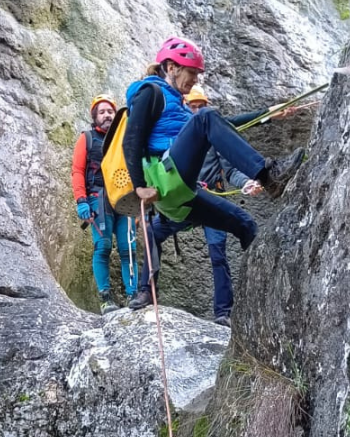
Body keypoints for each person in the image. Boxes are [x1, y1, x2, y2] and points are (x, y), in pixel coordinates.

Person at [123, 36, 306, 310]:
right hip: (161, 178)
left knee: (244, 224)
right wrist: (139, 186)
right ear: (171, 67)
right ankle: (269, 176)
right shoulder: (151, 92)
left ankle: (258, 303)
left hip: (181, 193)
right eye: (192, 72)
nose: (195, 80)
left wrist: (267, 114)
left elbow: (225, 124)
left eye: (197, 74)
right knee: (206, 117)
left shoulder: (180, 106)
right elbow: (131, 139)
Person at [152, 86, 303, 327]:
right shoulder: (180, 136)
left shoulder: (209, 138)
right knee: (152, 233)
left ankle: (223, 312)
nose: (198, 110)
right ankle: (146, 294)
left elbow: (230, 168)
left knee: (218, 254)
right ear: (185, 107)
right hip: (183, 198)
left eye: (202, 106)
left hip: (210, 201)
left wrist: (246, 183)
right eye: (194, 106)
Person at [71, 94, 139, 315]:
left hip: (124, 198)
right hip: (97, 199)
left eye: (110, 111)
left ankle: (133, 295)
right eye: (102, 112)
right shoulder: (87, 139)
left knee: (128, 247)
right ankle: (105, 298)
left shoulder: (124, 138)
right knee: (103, 247)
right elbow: (78, 171)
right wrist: (81, 201)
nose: (107, 115)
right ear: (94, 117)